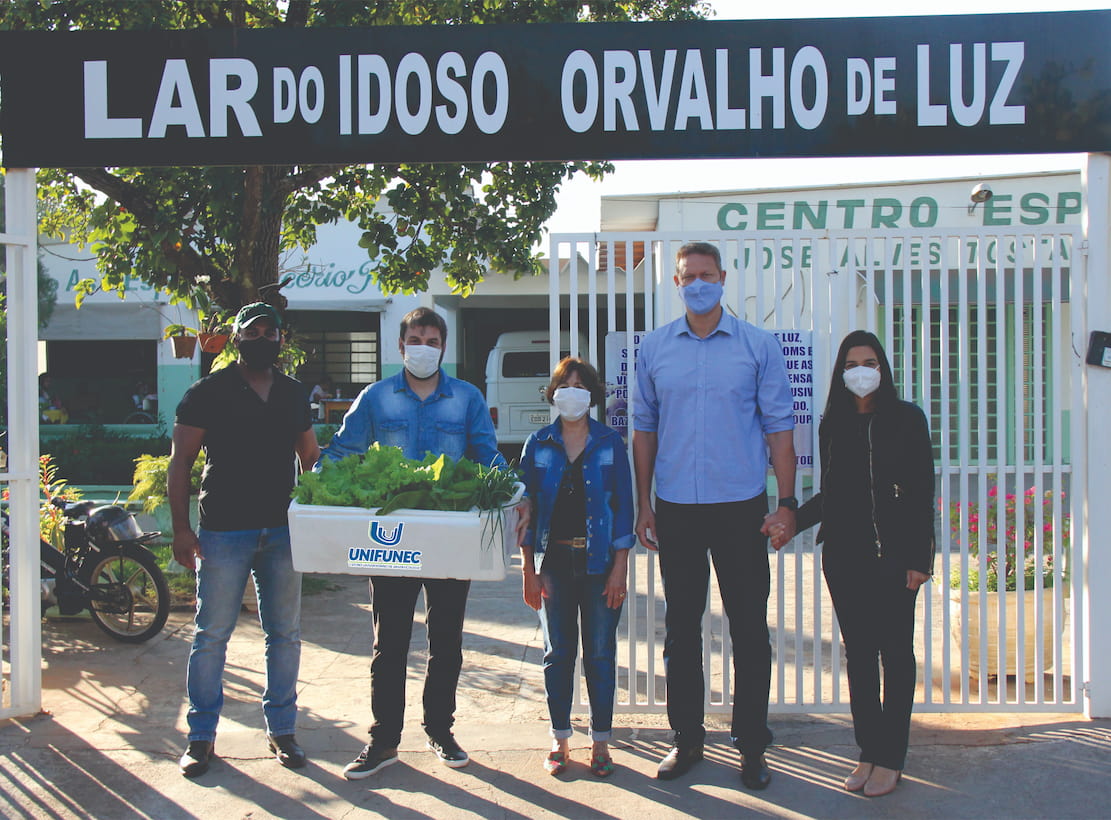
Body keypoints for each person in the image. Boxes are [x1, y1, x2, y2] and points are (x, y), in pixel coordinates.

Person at [321, 306, 528, 780]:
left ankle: (440, 730)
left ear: (443, 348)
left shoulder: (467, 398)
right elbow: (342, 452)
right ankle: (383, 741)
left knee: (446, 641)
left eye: (433, 341)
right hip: (392, 539)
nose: (424, 348)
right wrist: (312, 490)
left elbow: (486, 453)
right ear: (401, 346)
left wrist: (518, 493)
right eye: (416, 339)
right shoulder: (375, 398)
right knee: (388, 642)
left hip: (449, 537)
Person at [632, 241, 796, 789]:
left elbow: (779, 428)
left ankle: (752, 746)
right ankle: (688, 743)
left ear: (723, 277)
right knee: (680, 631)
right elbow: (644, 431)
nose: (697, 283)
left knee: (749, 630)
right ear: (675, 284)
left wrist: (787, 503)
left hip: (741, 508)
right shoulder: (654, 348)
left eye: (706, 274)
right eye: (687, 277)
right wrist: (643, 503)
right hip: (677, 507)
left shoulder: (757, 345)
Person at [169, 302, 320, 778]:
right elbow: (180, 463)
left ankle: (282, 730)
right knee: (212, 635)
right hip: (222, 532)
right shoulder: (206, 393)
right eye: (252, 332)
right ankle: (200, 737)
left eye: (269, 332)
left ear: (280, 339)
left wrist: (319, 509)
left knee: (285, 635)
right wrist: (180, 528)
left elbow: (310, 456)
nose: (262, 339)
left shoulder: (294, 394)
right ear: (236, 339)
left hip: (281, 532)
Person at [784, 330, 935, 797]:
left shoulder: (907, 419)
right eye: (851, 364)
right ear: (841, 372)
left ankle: (892, 758)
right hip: (844, 559)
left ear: (883, 368)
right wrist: (791, 520)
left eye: (869, 361)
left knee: (895, 655)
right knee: (860, 657)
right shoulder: (834, 422)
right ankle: (869, 752)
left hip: (893, 559)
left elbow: (921, 492)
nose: (861, 371)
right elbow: (832, 494)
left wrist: (918, 559)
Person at [518, 357, 634, 779]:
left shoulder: (610, 442)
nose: (572, 392)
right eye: (565, 385)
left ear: (592, 395)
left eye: (580, 385)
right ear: (553, 393)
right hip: (554, 564)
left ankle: (600, 741)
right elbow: (525, 513)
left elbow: (624, 508)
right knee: (557, 654)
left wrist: (620, 568)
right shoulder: (538, 444)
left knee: (600, 654)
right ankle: (560, 738)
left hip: (601, 563)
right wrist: (527, 570)